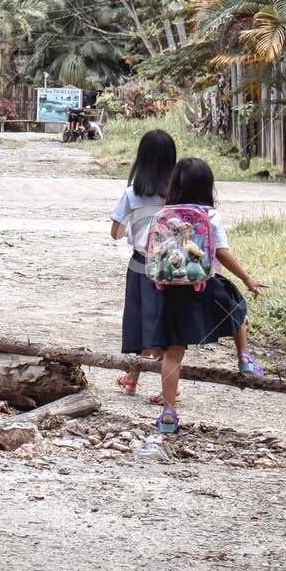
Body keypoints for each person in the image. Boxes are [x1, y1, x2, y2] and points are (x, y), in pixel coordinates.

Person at [144, 158, 266, 434]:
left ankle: (168, 412)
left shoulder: (164, 214)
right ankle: (244, 357)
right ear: (208, 186)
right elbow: (221, 252)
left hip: (172, 291)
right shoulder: (210, 215)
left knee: (173, 353)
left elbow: (150, 249)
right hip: (205, 286)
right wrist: (247, 277)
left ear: (175, 185)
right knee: (237, 308)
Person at [112, 129, 176, 400]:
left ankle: (131, 378)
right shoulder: (177, 194)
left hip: (140, 265)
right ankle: (168, 387)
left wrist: (133, 231)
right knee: (165, 324)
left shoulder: (131, 194)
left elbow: (115, 232)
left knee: (139, 322)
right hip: (172, 268)